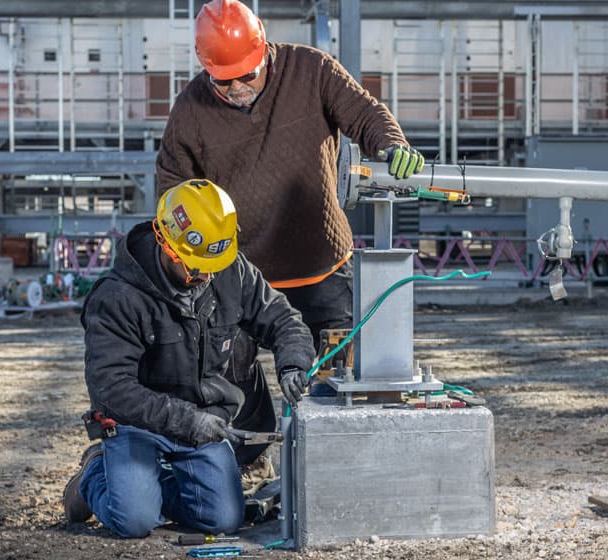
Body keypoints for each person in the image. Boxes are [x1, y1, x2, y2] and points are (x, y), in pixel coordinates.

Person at [156, 0, 424, 361]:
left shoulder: (311, 70)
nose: (237, 86)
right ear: (206, 67)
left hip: (321, 270)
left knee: (337, 384)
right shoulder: (190, 109)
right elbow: (173, 187)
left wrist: (391, 144)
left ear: (263, 50)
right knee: (227, 392)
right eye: (223, 79)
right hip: (239, 277)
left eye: (247, 74)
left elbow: (364, 113)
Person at [63, 179, 315, 538]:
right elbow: (110, 389)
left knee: (224, 519)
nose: (207, 275)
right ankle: (96, 475)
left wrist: (293, 362)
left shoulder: (229, 269)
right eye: (195, 266)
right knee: (134, 521)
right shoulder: (118, 296)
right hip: (139, 423)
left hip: (203, 421)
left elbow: (282, 318)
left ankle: (146, 487)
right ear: (166, 244)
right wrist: (186, 421)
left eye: (215, 263)